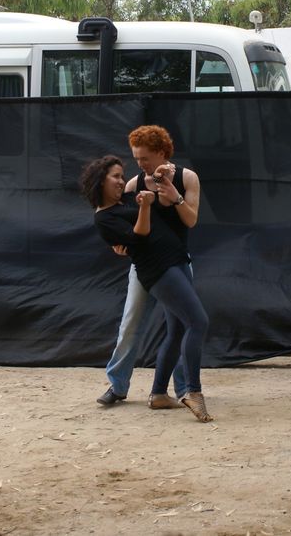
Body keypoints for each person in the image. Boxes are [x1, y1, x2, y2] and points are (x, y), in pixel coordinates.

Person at [80, 155, 212, 422]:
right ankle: (191, 391)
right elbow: (138, 237)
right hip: (159, 269)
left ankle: (159, 394)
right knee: (197, 322)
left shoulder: (129, 198)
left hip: (177, 260)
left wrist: (165, 178)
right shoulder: (105, 217)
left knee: (176, 330)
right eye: (115, 176)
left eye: (121, 175)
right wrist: (144, 207)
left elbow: (164, 206)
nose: (121, 180)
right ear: (99, 181)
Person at [95, 125, 201, 408]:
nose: (140, 164)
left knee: (180, 325)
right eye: (137, 158)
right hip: (146, 266)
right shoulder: (133, 185)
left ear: (162, 153)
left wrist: (171, 194)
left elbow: (190, 220)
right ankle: (117, 385)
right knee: (131, 323)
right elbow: (121, 225)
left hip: (178, 260)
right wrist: (120, 246)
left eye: (145, 158)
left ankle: (180, 389)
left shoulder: (186, 178)